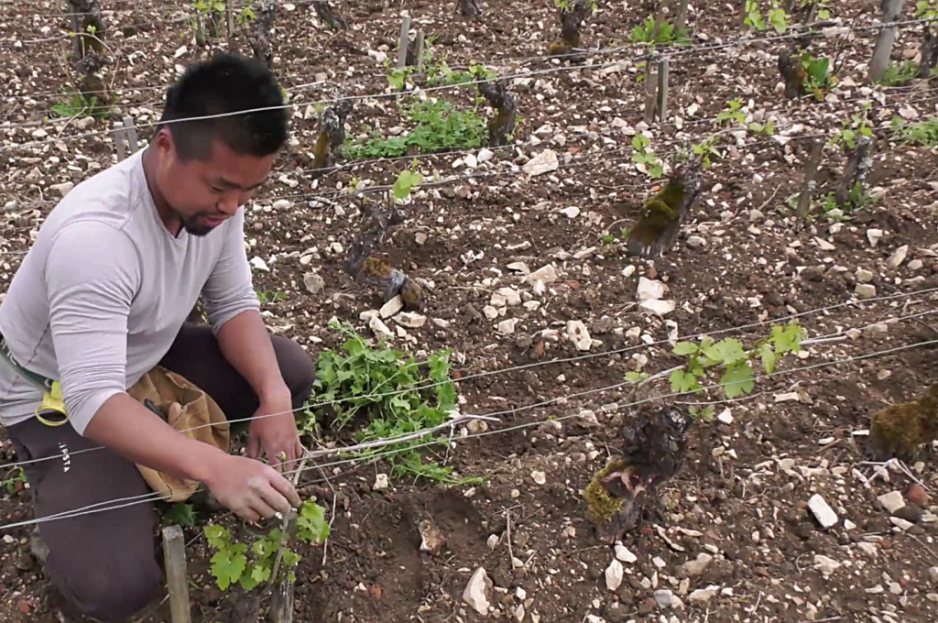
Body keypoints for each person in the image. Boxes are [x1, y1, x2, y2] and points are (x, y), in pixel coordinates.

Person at [0, 53, 314, 621]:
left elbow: (233, 303)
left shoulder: (220, 200)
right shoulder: (97, 240)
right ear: (165, 146)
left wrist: (273, 398)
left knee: (288, 373)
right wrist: (215, 468)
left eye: (249, 191)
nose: (234, 206)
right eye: (222, 187)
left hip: (138, 348)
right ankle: (61, 491)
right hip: (55, 395)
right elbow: (91, 400)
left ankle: (146, 450)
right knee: (115, 585)